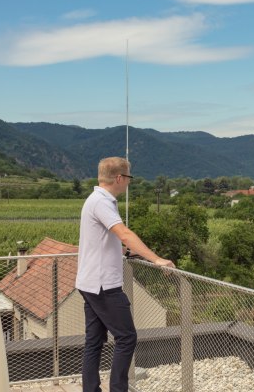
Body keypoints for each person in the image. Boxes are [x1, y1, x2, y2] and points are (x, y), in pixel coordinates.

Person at [75, 157, 175, 392]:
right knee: (127, 337)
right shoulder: (102, 203)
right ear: (119, 178)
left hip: (89, 283)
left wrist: (125, 251)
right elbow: (124, 233)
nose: (129, 183)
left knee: (94, 342)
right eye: (128, 178)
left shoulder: (95, 199)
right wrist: (157, 259)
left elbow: (104, 240)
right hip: (103, 286)